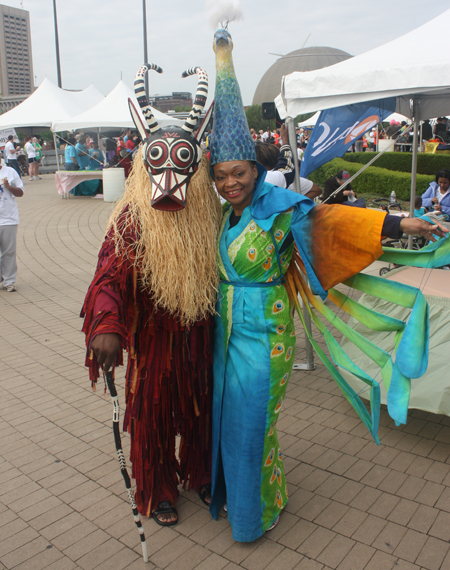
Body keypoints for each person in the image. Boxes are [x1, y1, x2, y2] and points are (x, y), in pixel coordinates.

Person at [208, 26, 448, 544]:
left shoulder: (279, 211)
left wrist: (398, 224)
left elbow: (332, 224)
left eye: (239, 173)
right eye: (221, 175)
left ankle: (256, 513)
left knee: (253, 426)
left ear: (255, 169)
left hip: (266, 335)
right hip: (224, 335)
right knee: (229, 419)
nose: (231, 183)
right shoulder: (217, 218)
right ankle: (243, 495)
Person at [81, 64, 220, 526]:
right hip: (155, 338)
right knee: (154, 411)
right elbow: (109, 277)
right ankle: (158, 486)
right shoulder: (131, 220)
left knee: (203, 405)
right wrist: (106, 324)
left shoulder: (213, 215)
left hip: (202, 332)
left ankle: (201, 472)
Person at [0, 161, 24, 292]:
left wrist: (9, 187)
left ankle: (9, 281)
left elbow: (20, 192)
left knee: (8, 251)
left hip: (8, 219)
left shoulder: (10, 172)